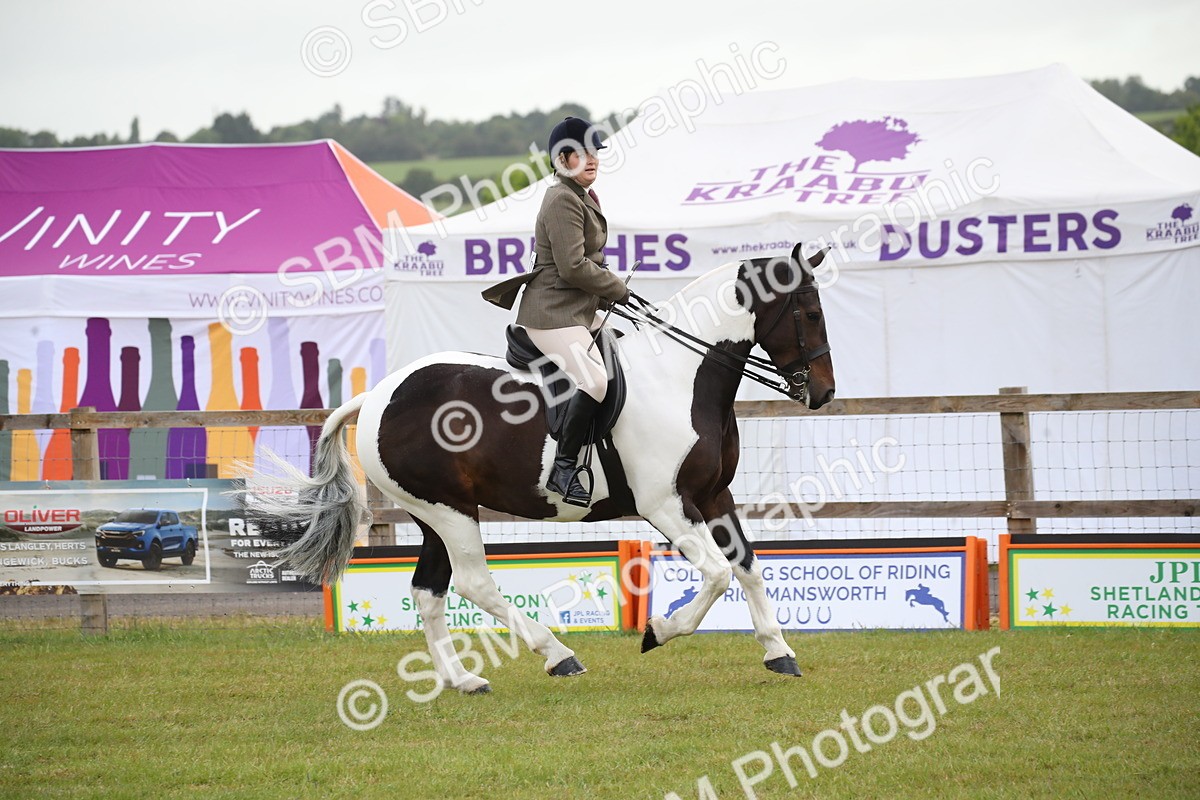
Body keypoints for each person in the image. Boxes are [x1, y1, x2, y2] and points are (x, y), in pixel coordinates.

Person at [482, 116, 630, 506]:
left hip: (576, 308)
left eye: (595, 152)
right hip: (551, 313)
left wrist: (610, 293)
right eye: (583, 153)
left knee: (625, 349)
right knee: (595, 382)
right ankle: (563, 469)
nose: (593, 160)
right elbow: (572, 267)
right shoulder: (561, 198)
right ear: (563, 158)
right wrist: (616, 289)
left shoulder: (583, 195)